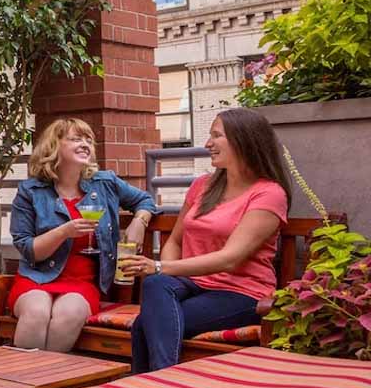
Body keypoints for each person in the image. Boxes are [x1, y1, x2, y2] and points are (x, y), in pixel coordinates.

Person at [120, 108, 290, 372]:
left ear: (243, 140)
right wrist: (166, 274)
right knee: (156, 285)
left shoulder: (269, 194)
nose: (208, 143)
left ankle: (155, 383)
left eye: (216, 136)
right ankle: (158, 385)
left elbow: (230, 259)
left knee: (147, 323)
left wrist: (159, 268)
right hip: (192, 285)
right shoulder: (203, 185)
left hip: (240, 293)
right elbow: (175, 241)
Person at [8, 119, 158, 352]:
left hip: (83, 282)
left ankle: (49, 382)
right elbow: (29, 250)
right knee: (36, 313)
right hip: (37, 277)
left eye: (88, 139)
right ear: (53, 146)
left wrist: (139, 221)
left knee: (69, 314)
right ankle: (27, 382)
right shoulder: (31, 191)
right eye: (76, 138)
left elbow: (145, 200)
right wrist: (64, 231)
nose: (85, 144)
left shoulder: (105, 183)